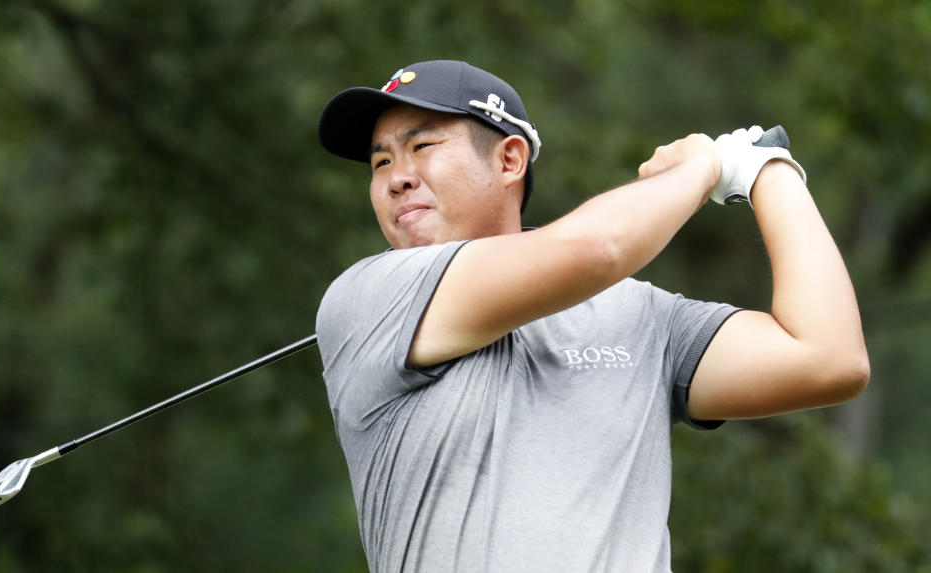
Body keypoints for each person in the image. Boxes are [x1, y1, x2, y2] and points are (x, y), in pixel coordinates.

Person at [314, 60, 869, 572]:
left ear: (509, 159)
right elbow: (596, 249)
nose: (396, 177)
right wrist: (703, 168)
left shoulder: (641, 315)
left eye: (422, 146)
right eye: (381, 160)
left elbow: (828, 357)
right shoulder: (369, 297)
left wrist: (767, 171)